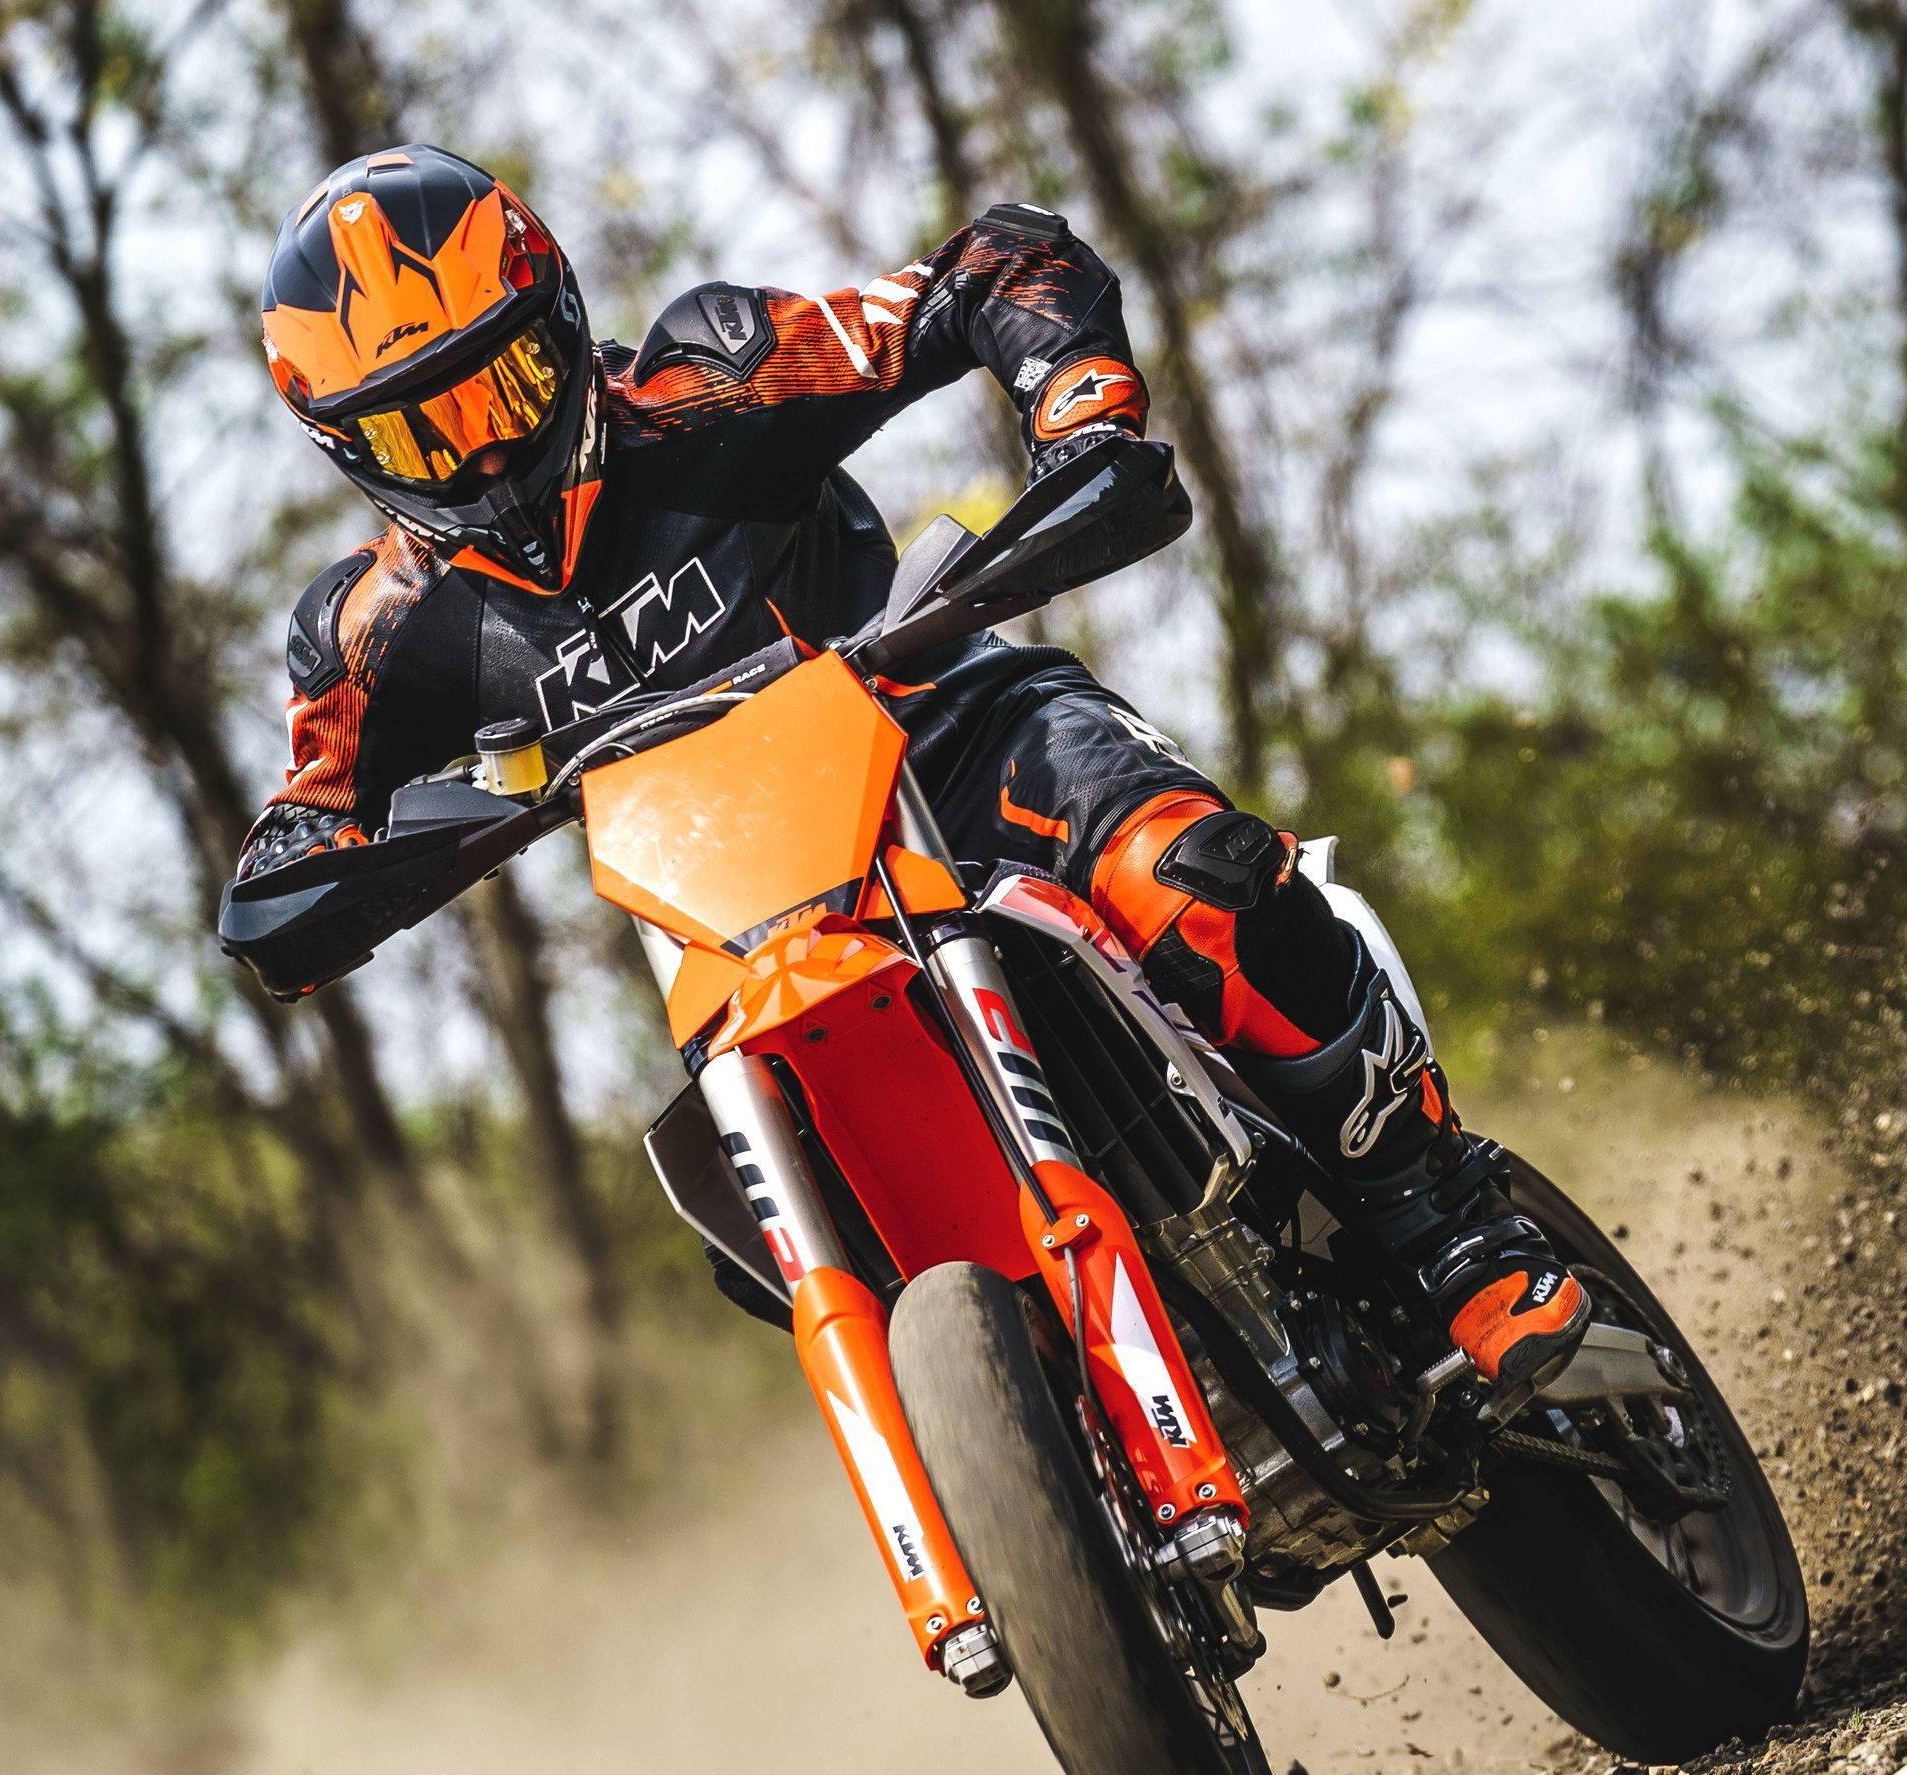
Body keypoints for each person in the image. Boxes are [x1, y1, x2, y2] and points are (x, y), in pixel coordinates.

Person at [236, 145, 1585, 1396]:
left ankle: (1447, 1222)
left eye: (502, 388)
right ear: (350, 451)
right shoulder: (366, 635)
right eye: (419, 434)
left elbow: (993, 263)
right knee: (743, 1216)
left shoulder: (713, 378)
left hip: (957, 744)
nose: (481, 451)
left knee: (1196, 883)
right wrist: (303, 880)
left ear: (562, 322)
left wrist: (1080, 410)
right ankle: (1042, 1417)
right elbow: (307, 815)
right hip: (741, 929)